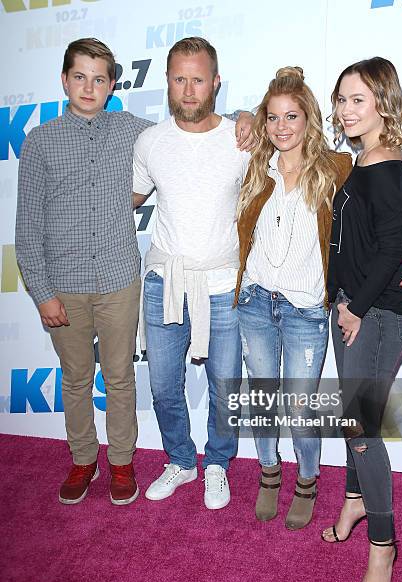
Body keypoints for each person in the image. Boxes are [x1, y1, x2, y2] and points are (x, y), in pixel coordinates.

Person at [15, 37, 253, 507]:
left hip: (171, 282)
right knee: (114, 382)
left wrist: (249, 112)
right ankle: (130, 460)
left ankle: (176, 465)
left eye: (99, 78)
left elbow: (224, 126)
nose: (188, 89)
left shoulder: (168, 133)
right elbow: (34, 225)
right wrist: (44, 286)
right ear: (64, 81)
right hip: (110, 282)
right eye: (79, 77)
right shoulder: (66, 140)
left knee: (173, 382)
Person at [132, 37, 251, 510]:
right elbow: (128, 201)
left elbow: (291, 132)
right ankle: (181, 461)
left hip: (224, 285)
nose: (188, 89)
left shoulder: (243, 138)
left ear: (216, 82)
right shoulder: (150, 141)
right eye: (179, 78)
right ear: (166, 81)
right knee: (163, 386)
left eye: (198, 79)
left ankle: (217, 464)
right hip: (165, 283)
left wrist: (250, 113)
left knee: (226, 386)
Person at [233, 67, 352, 530]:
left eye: (292, 116)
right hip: (256, 302)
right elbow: (205, 118)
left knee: (300, 409)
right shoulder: (254, 169)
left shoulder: (336, 169)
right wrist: (243, 112)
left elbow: (376, 211)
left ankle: (306, 480)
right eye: (273, 117)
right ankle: (268, 474)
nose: (282, 127)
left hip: (305, 310)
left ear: (308, 120)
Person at [321, 57, 402, 582]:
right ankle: (355, 501)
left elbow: (391, 249)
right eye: (341, 99)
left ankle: (383, 545)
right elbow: (392, 239)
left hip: (377, 315)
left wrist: (355, 306)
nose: (346, 109)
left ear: (383, 102)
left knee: (360, 428)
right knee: (356, 422)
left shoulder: (385, 163)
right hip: (355, 309)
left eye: (358, 99)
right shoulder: (362, 161)